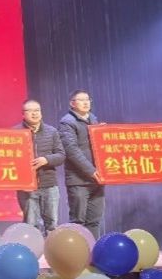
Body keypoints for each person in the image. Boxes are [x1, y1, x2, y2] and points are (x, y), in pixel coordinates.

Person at [58, 89, 104, 238]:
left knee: (94, 221)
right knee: (78, 221)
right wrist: (91, 171)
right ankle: (77, 251)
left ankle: (93, 249)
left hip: (97, 178)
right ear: (72, 104)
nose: (86, 102)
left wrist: (104, 133)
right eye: (81, 100)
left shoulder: (93, 119)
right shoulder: (67, 122)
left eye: (87, 99)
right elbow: (72, 150)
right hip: (78, 180)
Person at [14, 99, 65, 235]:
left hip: (49, 185)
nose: (34, 113)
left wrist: (46, 160)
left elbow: (61, 155)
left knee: (52, 225)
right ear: (23, 114)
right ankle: (32, 248)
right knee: (31, 225)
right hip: (27, 187)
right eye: (30, 111)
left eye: (37, 110)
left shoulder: (52, 131)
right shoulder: (15, 133)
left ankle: (52, 249)